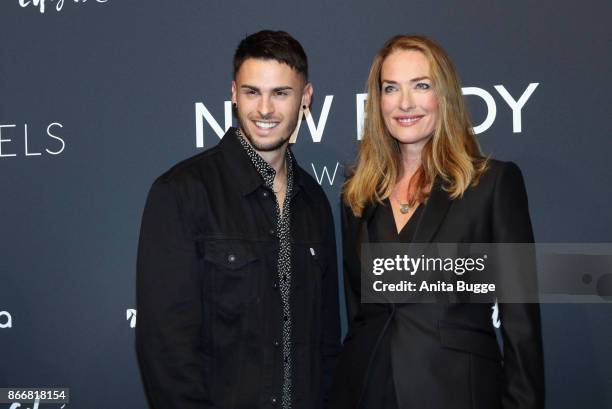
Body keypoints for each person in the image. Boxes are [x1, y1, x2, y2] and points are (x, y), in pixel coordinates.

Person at [329, 35, 544, 409]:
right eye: (391, 88)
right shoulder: (357, 195)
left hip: (457, 391)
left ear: (443, 95)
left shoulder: (492, 184)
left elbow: (521, 322)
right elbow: (359, 315)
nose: (405, 103)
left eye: (421, 86)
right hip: (367, 391)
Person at [136, 30, 340, 409]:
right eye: (252, 92)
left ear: (306, 98)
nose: (264, 109)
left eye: (280, 93)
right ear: (233, 93)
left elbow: (327, 343)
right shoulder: (182, 192)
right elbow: (166, 348)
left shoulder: (315, 202)